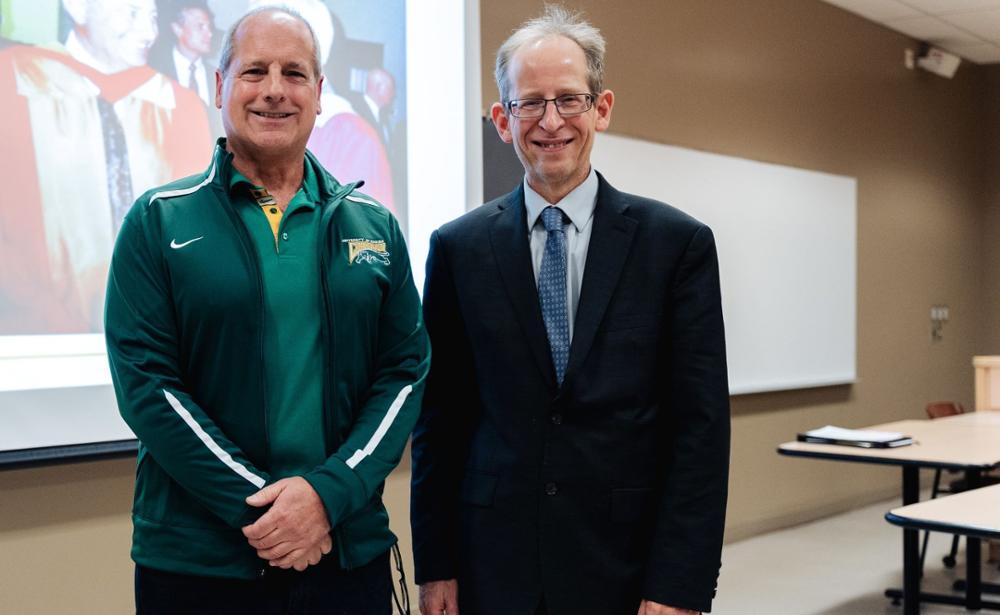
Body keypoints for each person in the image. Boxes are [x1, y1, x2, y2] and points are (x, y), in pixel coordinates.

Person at [104, 7, 428, 614]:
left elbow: (404, 375)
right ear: (220, 84)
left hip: (343, 553)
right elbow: (148, 387)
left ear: (319, 93)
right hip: (199, 564)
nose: (274, 89)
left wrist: (325, 499)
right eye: (255, 71)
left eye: (294, 73)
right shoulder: (157, 220)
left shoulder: (374, 226)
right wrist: (273, 512)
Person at [410, 6, 730, 615]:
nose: (550, 121)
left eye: (569, 100)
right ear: (503, 121)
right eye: (530, 103)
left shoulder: (676, 245)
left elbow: (701, 432)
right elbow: (441, 423)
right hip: (492, 567)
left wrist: (680, 584)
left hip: (625, 567)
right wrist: (437, 567)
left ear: (601, 109)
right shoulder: (458, 249)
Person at [0, 0, 210, 334]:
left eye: (152, 16)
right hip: (33, 347)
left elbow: (197, 238)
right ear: (78, 7)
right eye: (131, 13)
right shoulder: (13, 81)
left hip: (155, 346)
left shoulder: (181, 106)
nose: (149, 32)